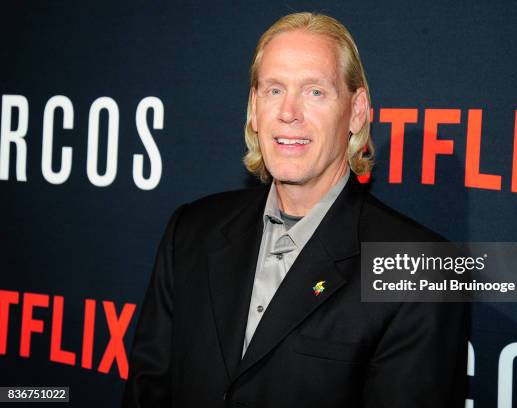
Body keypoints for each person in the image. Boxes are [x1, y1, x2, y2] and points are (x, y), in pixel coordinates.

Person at [122, 12, 468, 408]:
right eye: (273, 90)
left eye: (314, 92)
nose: (289, 112)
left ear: (356, 111)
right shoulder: (190, 231)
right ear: (254, 108)